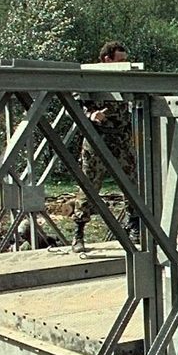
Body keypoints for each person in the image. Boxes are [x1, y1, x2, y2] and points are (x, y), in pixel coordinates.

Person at [71, 41, 139, 253]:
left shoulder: (124, 78)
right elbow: (74, 101)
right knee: (88, 186)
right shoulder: (92, 77)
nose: (124, 64)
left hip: (121, 137)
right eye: (120, 60)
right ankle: (78, 232)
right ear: (107, 59)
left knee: (133, 184)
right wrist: (91, 114)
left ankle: (134, 226)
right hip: (97, 138)